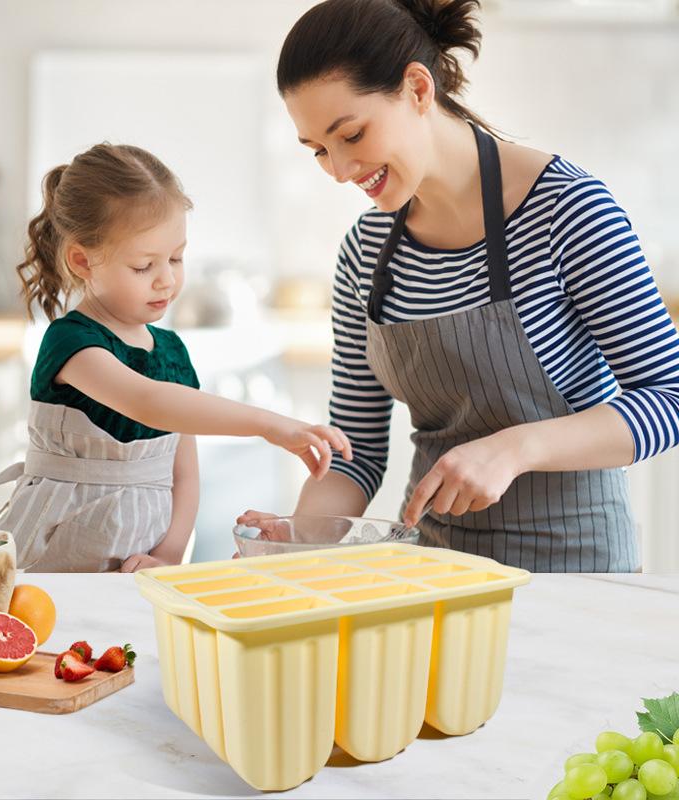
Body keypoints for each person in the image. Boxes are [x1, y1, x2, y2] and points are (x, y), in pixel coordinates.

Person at [239, 0, 679, 572]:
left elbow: (667, 401)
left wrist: (516, 448)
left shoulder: (569, 210)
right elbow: (356, 451)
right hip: (429, 565)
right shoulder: (366, 251)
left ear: (418, 89)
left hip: (574, 568)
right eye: (320, 151)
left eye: (351, 135)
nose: (341, 171)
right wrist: (300, 534)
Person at [0, 143, 351, 573]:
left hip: (141, 565)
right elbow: (148, 402)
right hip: (52, 562)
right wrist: (270, 425)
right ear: (82, 260)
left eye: (176, 257)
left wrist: (169, 553)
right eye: (143, 266)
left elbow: (185, 476)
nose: (167, 280)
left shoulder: (171, 351)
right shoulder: (71, 343)